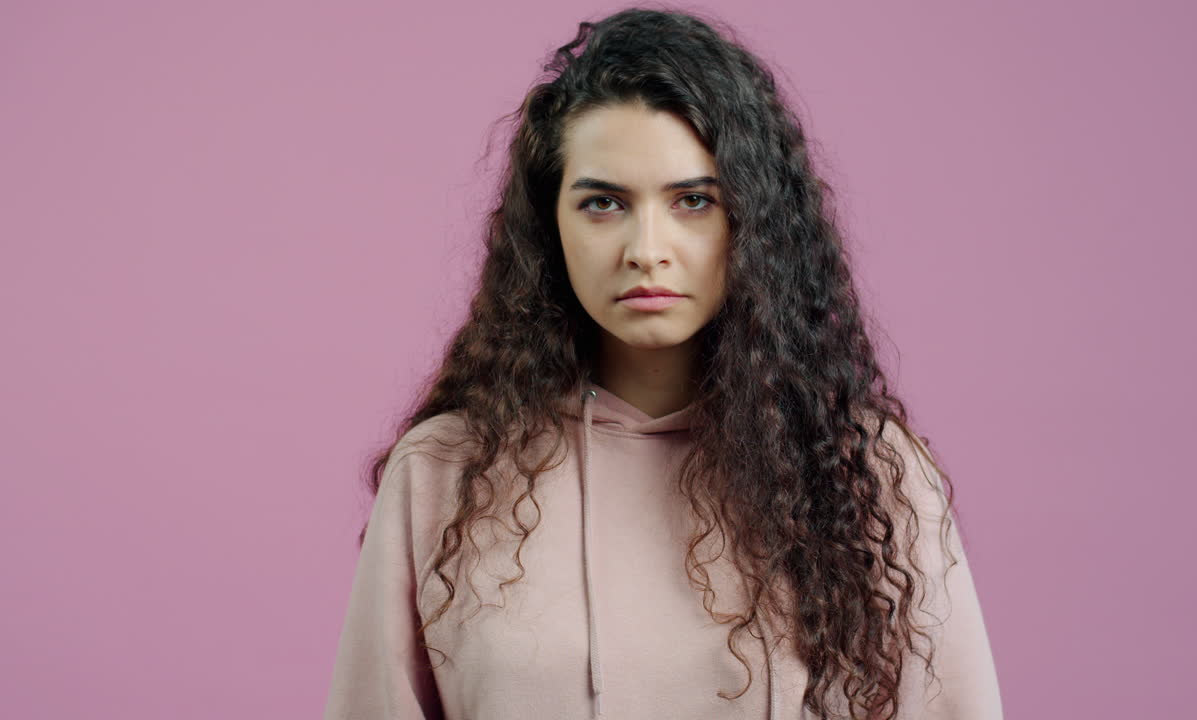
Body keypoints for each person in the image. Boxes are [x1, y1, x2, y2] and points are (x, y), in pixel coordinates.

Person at [323, 7, 1003, 720]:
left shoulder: (864, 473)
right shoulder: (442, 474)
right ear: (549, 226)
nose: (647, 248)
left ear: (753, 221)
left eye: (693, 201)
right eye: (604, 203)